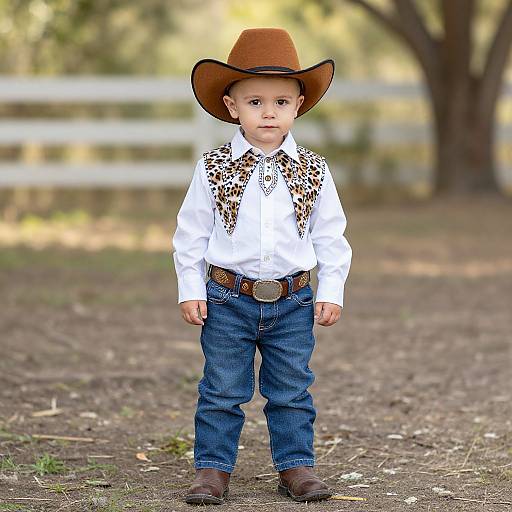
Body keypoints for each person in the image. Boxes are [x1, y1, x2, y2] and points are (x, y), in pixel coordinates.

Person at [172, 27, 352, 505]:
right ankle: (213, 470)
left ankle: (296, 466)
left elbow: (331, 235)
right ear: (232, 107)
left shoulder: (314, 169)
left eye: (280, 101)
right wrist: (190, 287)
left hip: (293, 298)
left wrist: (331, 290)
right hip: (226, 298)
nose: (268, 112)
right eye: (254, 102)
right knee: (221, 389)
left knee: (291, 387)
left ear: (298, 106)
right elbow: (190, 233)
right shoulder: (212, 168)